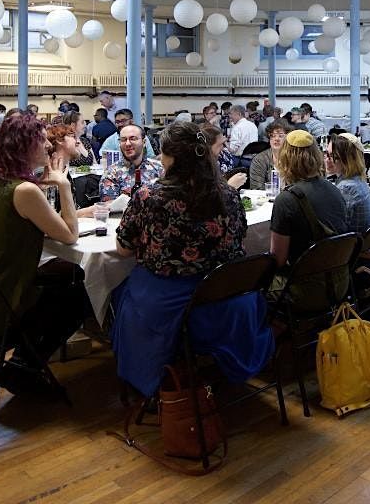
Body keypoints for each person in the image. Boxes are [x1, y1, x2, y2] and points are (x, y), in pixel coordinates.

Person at [112, 122, 272, 397]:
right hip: (226, 294)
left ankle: (147, 371)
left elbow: (124, 249)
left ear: (171, 158)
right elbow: (240, 237)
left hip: (172, 299)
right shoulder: (228, 194)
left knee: (119, 291)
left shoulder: (150, 197)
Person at [0, 113, 90, 371]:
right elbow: (70, 235)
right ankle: (25, 364)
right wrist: (62, 184)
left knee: (66, 274)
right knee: (81, 291)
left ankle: (26, 360)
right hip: (2, 302)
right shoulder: (25, 190)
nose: (48, 145)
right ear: (25, 146)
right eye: (42, 140)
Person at [269, 129, 352, 309]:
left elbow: (277, 260)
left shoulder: (286, 200)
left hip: (307, 291)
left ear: (285, 159)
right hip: (339, 283)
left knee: (252, 289)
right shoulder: (334, 189)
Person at [91, 124, 164, 209]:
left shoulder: (159, 169)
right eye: (123, 140)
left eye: (133, 139)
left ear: (144, 142)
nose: (128, 143)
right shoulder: (112, 173)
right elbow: (110, 208)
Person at [327, 134, 370, 232]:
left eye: (332, 156)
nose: (327, 160)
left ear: (347, 160)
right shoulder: (358, 180)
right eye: (326, 154)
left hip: (354, 240)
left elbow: (338, 227)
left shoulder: (346, 188)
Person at [201, 123, 247, 188]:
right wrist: (230, 186)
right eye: (221, 144)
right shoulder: (200, 167)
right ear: (208, 146)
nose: (224, 147)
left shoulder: (224, 155)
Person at [249, 120, 288, 189]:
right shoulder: (260, 159)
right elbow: (256, 188)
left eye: (281, 136)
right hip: (266, 195)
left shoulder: (294, 158)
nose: (276, 139)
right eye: (273, 136)